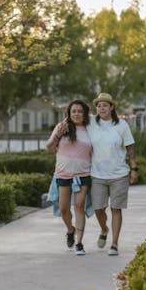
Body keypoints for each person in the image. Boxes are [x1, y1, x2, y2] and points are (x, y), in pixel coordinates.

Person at [87, 93, 138, 256]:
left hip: (119, 174)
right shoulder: (91, 124)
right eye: (99, 105)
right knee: (98, 208)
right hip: (97, 175)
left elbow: (130, 148)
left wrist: (134, 168)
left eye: (105, 105)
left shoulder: (122, 125)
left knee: (116, 208)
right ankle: (104, 229)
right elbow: (74, 120)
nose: (101, 108)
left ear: (111, 107)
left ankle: (114, 244)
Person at [46, 99, 92, 255]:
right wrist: (57, 135)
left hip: (83, 174)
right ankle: (70, 230)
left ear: (84, 113)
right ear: (69, 113)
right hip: (63, 174)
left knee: (79, 206)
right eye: (74, 111)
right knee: (64, 208)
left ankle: (79, 243)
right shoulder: (62, 127)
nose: (77, 114)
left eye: (80, 111)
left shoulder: (90, 129)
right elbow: (49, 148)